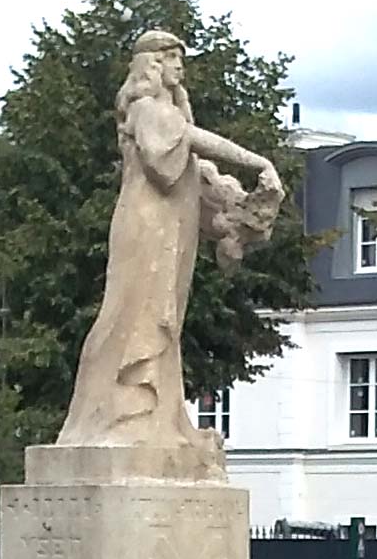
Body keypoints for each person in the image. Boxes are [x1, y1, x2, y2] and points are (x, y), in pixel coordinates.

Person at [57, 29, 283, 449]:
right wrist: (257, 161)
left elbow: (198, 172)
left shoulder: (170, 117)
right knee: (130, 315)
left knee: (165, 322)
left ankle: (160, 420)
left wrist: (240, 207)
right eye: (172, 58)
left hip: (173, 229)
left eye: (181, 58)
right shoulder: (147, 110)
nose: (180, 66)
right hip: (146, 225)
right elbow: (180, 149)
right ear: (153, 64)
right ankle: (111, 416)